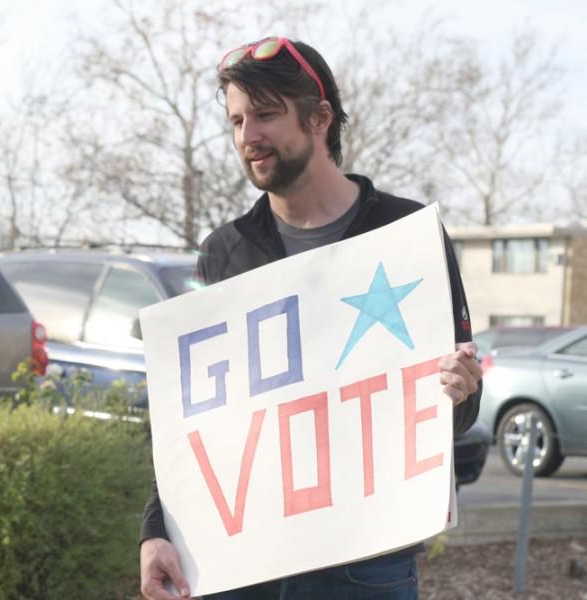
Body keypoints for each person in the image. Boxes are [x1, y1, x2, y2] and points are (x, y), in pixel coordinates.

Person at [138, 37, 483, 600]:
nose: (247, 137)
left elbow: (458, 410)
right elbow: (190, 427)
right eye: (236, 120)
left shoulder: (408, 235)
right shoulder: (222, 252)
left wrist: (462, 390)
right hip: (240, 567)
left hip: (368, 565)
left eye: (266, 115)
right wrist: (156, 530)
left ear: (320, 117)